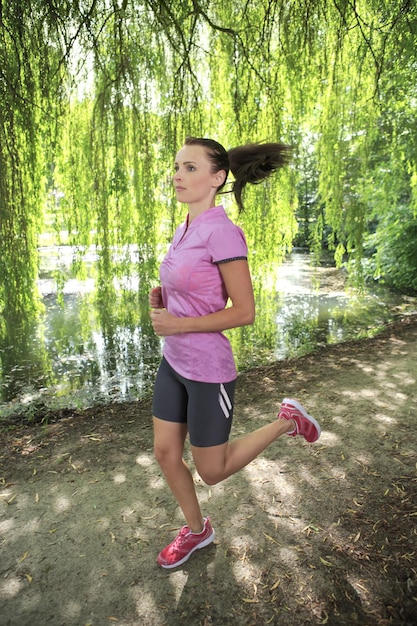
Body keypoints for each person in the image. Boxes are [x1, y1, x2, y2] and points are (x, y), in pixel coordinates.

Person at [149, 136, 321, 569]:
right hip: (174, 361)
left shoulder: (223, 231)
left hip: (208, 369)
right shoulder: (185, 226)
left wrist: (179, 322)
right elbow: (198, 289)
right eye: (176, 167)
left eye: (189, 167)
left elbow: (245, 312)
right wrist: (166, 298)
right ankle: (197, 531)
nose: (177, 175)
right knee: (166, 454)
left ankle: (288, 421)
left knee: (212, 471)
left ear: (217, 177)